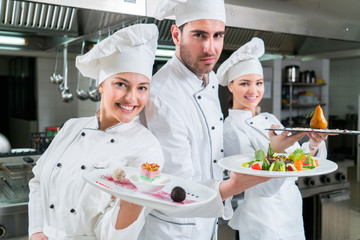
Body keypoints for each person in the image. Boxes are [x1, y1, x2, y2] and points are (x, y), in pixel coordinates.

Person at [140, 1, 269, 239]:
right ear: (177, 34)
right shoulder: (162, 95)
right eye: (199, 35)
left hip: (207, 222)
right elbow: (178, 185)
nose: (210, 48)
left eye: (217, 35)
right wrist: (240, 182)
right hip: (172, 228)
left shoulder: (207, 80)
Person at [28, 24, 163, 240]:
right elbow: (38, 180)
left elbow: (116, 236)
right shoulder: (72, 126)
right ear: (101, 85)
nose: (132, 98)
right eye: (121, 84)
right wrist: (36, 230)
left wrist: (132, 203)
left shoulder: (146, 147)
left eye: (142, 87)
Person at [217, 37, 330, 240]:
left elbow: (298, 159)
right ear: (231, 86)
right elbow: (262, 185)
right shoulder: (231, 129)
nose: (254, 91)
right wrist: (275, 152)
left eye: (259, 83)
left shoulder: (269, 119)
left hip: (291, 212)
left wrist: (314, 143)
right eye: (245, 83)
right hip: (263, 221)